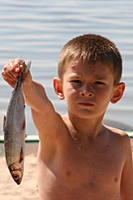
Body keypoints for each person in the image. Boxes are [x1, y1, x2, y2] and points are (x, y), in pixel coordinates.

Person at [1, 34, 133, 200]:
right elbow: (40, 103)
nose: (86, 90)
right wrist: (24, 81)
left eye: (98, 83)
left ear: (117, 93)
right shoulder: (55, 131)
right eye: (76, 81)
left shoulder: (121, 141)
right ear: (59, 88)